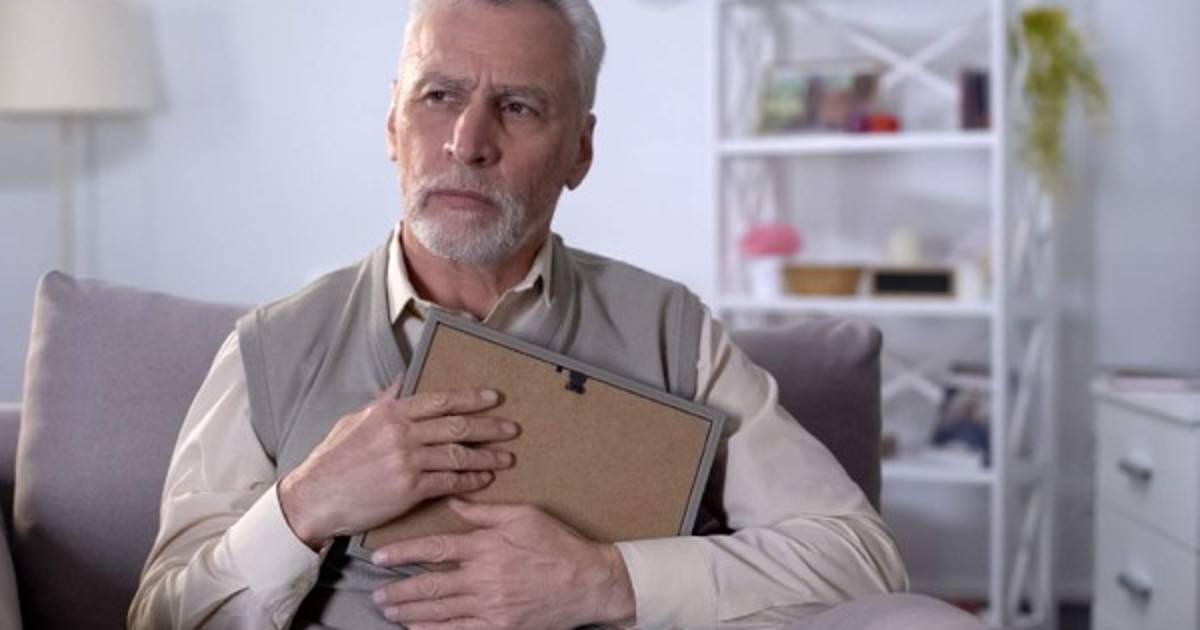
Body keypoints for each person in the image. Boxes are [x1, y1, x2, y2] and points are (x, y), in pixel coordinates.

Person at [129, 1, 907, 628]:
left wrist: (606, 581)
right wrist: (304, 506)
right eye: (438, 96)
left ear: (580, 151)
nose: (468, 142)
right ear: (394, 125)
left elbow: (859, 559)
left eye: (519, 106)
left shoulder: (672, 329)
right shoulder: (270, 348)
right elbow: (162, 617)